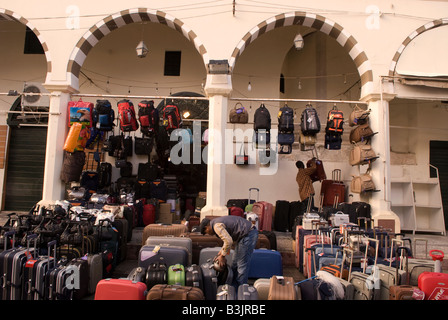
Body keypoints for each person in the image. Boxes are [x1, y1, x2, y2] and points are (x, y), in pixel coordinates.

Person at [199, 215, 258, 288]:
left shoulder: (216, 226)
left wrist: (222, 256)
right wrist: (221, 254)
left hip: (248, 234)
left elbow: (228, 241)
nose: (209, 234)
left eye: (206, 232)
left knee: (241, 266)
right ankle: (233, 289)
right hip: (245, 235)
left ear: (206, 227)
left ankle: (241, 291)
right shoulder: (216, 222)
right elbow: (228, 241)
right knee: (235, 264)